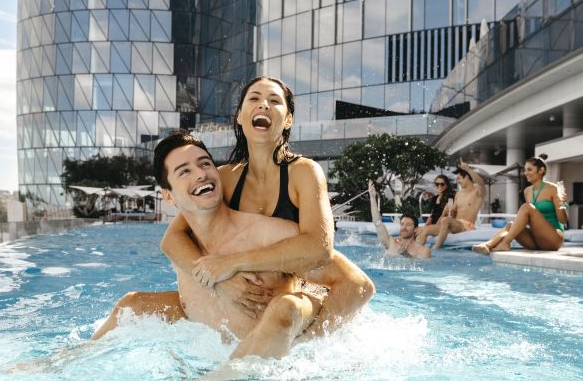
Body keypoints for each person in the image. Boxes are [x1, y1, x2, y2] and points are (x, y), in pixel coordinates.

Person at [93, 133, 353, 359]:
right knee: (131, 305)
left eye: (205, 164)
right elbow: (171, 245)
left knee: (286, 308)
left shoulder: (266, 234)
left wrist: (308, 339)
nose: (200, 173)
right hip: (210, 353)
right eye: (184, 171)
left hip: (262, 370)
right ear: (168, 196)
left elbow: (357, 284)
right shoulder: (183, 246)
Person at [160, 76, 374, 336]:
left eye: (274, 101)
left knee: (355, 284)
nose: (263, 105)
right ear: (240, 117)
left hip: (295, 292)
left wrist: (233, 264)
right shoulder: (225, 177)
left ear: (288, 120)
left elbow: (319, 249)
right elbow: (173, 238)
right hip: (250, 305)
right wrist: (216, 282)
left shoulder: (303, 173)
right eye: (254, 98)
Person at [472, 154, 567, 253]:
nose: (526, 173)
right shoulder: (527, 191)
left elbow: (563, 220)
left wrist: (562, 203)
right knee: (510, 225)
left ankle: (505, 243)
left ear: (541, 170)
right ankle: (488, 245)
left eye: (529, 170)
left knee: (527, 207)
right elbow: (529, 221)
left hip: (554, 239)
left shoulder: (554, 188)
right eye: (525, 170)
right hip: (536, 241)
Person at [415, 160, 486, 249]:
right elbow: (453, 212)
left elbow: (481, 183)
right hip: (453, 225)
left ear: (467, 177)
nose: (458, 181)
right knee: (426, 230)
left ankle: (436, 249)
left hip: (466, 226)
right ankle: (415, 253)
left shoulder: (477, 192)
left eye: (459, 179)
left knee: (445, 220)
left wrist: (468, 169)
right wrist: (449, 210)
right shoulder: (459, 194)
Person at [368, 180, 431, 259]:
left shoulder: (423, 251)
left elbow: (422, 268)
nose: (404, 227)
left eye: (408, 225)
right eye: (402, 224)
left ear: (415, 229)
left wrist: (406, 255)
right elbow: (377, 223)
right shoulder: (390, 243)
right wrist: (372, 198)